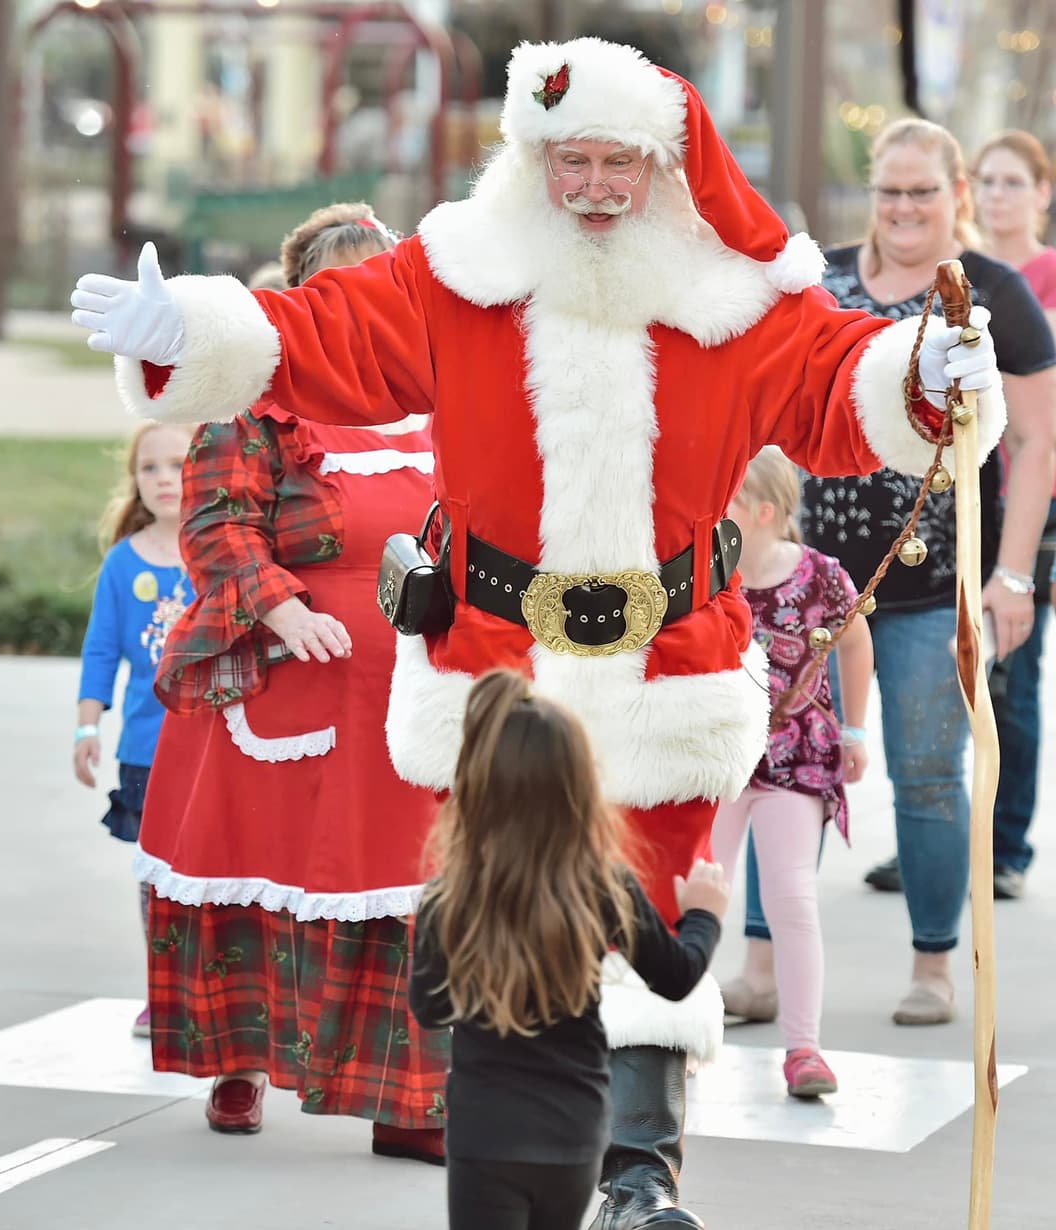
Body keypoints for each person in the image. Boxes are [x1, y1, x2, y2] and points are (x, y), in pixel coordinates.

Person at [71, 39, 1004, 1228]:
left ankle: (640, 1175)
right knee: (498, 904)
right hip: (493, 663)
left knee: (653, 907)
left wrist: (929, 370)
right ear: (533, 159)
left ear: (662, 166)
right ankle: (505, 1153)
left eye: (620, 161)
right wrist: (185, 333)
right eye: (573, 162)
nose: (597, 186)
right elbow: (324, 336)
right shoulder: (459, 274)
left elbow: (838, 385)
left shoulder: (731, 296)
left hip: (667, 657)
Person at [113, 202, 450, 1164]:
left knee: (404, 886)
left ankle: (408, 1102)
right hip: (284, 686)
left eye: (378, 289)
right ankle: (238, 1061)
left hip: (407, 691)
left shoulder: (439, 402)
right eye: (339, 293)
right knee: (256, 879)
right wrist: (282, 609)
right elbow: (214, 523)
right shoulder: (257, 400)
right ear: (303, 300)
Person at [792, 118, 1056, 1025]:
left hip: (931, 588)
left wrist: (1012, 578)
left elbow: (1037, 441)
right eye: (889, 191)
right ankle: (762, 960)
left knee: (930, 774)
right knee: (778, 769)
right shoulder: (820, 282)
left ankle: (934, 963)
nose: (903, 208)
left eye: (922, 191)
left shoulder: (990, 293)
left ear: (957, 196)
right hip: (809, 587)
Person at [411, 669, 728, 1230]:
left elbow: (431, 1008)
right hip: (573, 1130)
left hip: (487, 1132)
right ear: (579, 788)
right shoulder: (604, 885)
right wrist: (703, 915)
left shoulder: (451, 896)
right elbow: (676, 978)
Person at [708, 448, 871, 1099]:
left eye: (729, 498)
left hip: (796, 756)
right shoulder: (706, 573)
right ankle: (673, 1038)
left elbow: (855, 642)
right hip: (718, 759)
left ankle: (804, 1047)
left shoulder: (821, 575)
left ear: (765, 512)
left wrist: (855, 730)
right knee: (697, 891)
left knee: (791, 896)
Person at [74, 421, 196, 1037]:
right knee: (155, 876)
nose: (164, 478)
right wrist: (86, 729)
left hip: (213, 751)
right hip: (146, 754)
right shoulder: (122, 564)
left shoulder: (222, 552)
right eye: (150, 467)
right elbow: (100, 651)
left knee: (208, 877)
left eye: (178, 463)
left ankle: (214, 994)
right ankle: (163, 992)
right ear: (134, 480)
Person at [973, 130, 1056, 899]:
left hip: (1029, 502)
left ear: (1042, 193)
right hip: (957, 498)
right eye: (987, 181)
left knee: (1011, 673)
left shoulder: (1047, 278)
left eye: (1012, 182)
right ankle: (944, 838)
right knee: (944, 671)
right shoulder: (954, 271)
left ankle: (1005, 848)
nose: (998, 194)